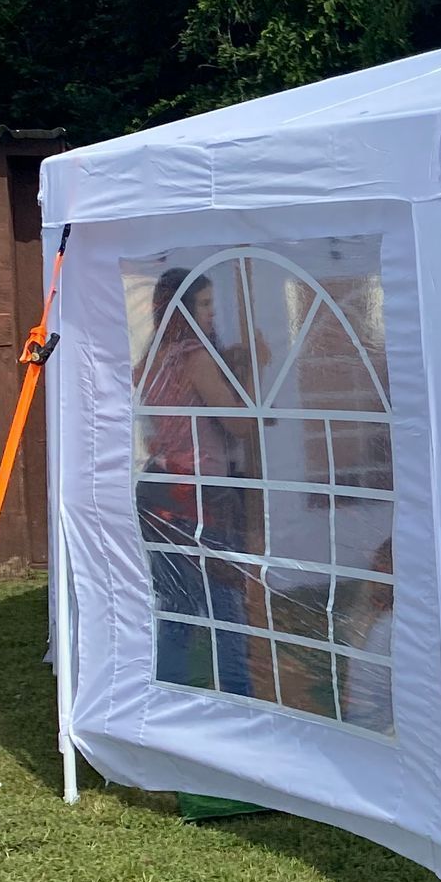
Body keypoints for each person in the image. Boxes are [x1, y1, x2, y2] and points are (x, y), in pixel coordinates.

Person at [140, 270, 256, 695]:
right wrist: (253, 369)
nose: (212, 313)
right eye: (204, 304)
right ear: (183, 308)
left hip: (160, 487)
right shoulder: (195, 357)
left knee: (178, 604)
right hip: (199, 492)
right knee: (226, 604)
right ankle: (238, 696)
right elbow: (240, 424)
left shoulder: (154, 356)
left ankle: (168, 693)